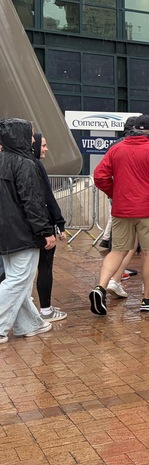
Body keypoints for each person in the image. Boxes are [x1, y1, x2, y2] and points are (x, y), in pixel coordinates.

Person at [90, 114, 149, 316]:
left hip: (121, 209)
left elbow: (99, 176)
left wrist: (114, 192)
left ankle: (100, 287)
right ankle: (147, 298)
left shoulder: (116, 149)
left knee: (117, 250)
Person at [0, 118, 61, 343]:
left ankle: (29, 324)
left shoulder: (3, 160)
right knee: (18, 280)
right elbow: (32, 202)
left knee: (19, 280)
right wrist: (45, 231)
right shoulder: (25, 164)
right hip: (22, 233)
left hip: (7, 232)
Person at [32, 133, 67, 321]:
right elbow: (46, 197)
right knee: (43, 267)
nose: (46, 149)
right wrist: (56, 225)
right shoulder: (35, 165)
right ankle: (45, 309)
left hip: (25, 226)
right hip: (40, 226)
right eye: (43, 145)